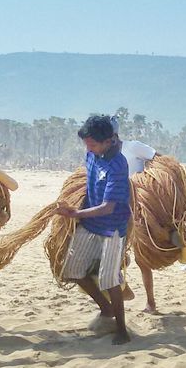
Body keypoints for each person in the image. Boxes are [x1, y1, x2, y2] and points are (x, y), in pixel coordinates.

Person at [57, 114, 133, 345]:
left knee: (109, 280)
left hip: (112, 229)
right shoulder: (91, 155)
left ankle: (122, 330)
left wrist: (75, 214)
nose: (87, 147)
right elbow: (88, 179)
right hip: (90, 225)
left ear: (108, 141)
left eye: (92, 143)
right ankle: (105, 308)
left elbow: (108, 207)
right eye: (86, 143)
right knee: (72, 270)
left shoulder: (118, 165)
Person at [112, 124, 162, 313]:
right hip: (116, 207)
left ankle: (151, 302)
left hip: (140, 208)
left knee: (142, 259)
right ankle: (122, 290)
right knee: (113, 252)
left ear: (114, 136)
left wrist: (148, 179)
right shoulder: (104, 155)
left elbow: (159, 158)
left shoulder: (133, 147)